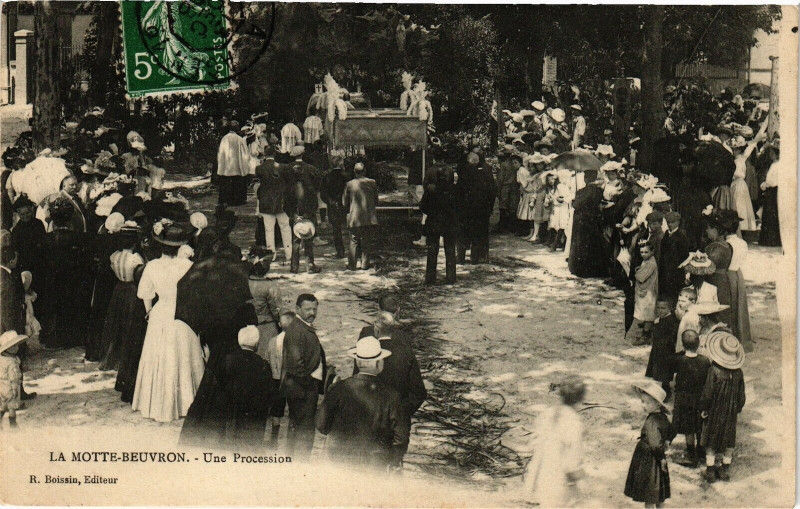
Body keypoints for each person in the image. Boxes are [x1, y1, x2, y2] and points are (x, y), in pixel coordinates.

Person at [132, 222, 205, 422]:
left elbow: (145, 293)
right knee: (182, 355)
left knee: (159, 355)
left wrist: (149, 312)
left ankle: (156, 402)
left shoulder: (152, 266)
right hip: (183, 313)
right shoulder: (189, 266)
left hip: (161, 312)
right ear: (180, 246)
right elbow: (196, 294)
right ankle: (186, 402)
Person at [316, 336, 409, 470]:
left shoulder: (338, 389)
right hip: (374, 466)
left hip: (339, 463)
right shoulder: (392, 396)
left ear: (357, 363)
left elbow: (321, 425)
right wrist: (392, 460)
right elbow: (401, 438)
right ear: (379, 364)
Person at [353, 312, 426, 444]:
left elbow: (357, 381)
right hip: (396, 423)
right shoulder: (406, 353)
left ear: (376, 327)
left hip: (367, 418)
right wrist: (401, 412)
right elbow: (419, 392)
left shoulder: (365, 351)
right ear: (394, 329)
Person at [201, 325, 273, 451]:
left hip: (231, 415)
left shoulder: (228, 360)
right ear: (257, 343)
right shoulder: (263, 365)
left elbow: (219, 387)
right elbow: (268, 393)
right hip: (253, 419)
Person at [522, 376, 585, 507]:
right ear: (580, 399)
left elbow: (533, 442)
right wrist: (576, 478)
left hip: (539, 474)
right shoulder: (574, 421)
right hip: (558, 479)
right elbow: (572, 457)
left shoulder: (547, 413)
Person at [39, 198, 92, 350]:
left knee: (53, 305)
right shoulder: (79, 238)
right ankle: (72, 338)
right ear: (69, 219)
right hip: (73, 280)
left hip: (52, 279)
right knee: (72, 304)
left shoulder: (46, 239)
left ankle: (54, 338)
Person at [282, 294, 325, 460]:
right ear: (297, 309)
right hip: (302, 389)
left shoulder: (303, 326)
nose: (312, 312)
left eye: (314, 309)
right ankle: (300, 464)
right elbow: (295, 365)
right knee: (304, 430)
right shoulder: (297, 330)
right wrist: (311, 384)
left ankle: (292, 460)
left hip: (300, 387)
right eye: (308, 309)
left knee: (297, 427)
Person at [699, 331, 746, 483]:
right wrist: (736, 408)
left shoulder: (714, 370)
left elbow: (707, 392)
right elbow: (741, 396)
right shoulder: (738, 373)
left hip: (714, 410)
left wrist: (704, 408)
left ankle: (711, 469)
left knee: (711, 438)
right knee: (729, 439)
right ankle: (725, 468)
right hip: (730, 411)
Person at [624, 381, 675, 508]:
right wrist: (668, 441)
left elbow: (654, 444)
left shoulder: (652, 421)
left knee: (649, 493)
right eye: (642, 401)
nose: (643, 405)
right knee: (659, 492)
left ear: (657, 403)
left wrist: (661, 457)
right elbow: (672, 430)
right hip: (658, 458)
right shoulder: (663, 417)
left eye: (647, 403)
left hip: (649, 459)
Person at [671, 330, 711, 468]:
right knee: (699, 424)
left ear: (682, 344)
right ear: (698, 343)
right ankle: (701, 450)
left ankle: (690, 453)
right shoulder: (705, 361)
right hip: (699, 398)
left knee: (688, 428)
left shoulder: (678, 360)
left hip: (683, 398)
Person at [718, 210, 753, 352]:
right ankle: (742, 339)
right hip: (739, 274)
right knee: (739, 306)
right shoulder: (742, 243)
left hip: (728, 275)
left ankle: (728, 340)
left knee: (729, 306)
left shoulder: (726, 244)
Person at [260, 310, 295, 445]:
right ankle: (291, 436)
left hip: (276, 380)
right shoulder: (295, 341)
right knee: (292, 407)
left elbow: (267, 359)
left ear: (280, 324)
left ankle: (274, 437)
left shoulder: (272, 341)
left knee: (276, 409)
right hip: (291, 378)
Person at [420, 165, 458, 285]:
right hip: (449, 222)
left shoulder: (431, 190)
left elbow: (423, 207)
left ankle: (430, 278)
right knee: (450, 249)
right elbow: (459, 207)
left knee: (432, 249)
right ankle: (451, 277)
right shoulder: (454, 190)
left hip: (434, 222)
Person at [456, 153, 496, 264]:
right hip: (481, 209)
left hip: (465, 209)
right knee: (478, 233)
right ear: (478, 161)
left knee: (463, 233)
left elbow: (458, 192)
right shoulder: (485, 173)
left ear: (468, 161)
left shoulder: (463, 173)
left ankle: (460, 257)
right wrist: (490, 207)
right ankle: (475, 258)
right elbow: (492, 191)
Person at [568, 170, 607, 277]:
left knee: (582, 243)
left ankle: (582, 269)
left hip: (583, 220)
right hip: (594, 220)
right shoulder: (599, 190)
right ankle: (595, 269)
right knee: (593, 243)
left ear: (586, 179)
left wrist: (574, 200)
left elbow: (576, 205)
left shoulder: (582, 191)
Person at [255, 156, 293, 262]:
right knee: (285, 228)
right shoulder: (284, 167)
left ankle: (271, 253)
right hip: (281, 203)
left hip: (266, 203)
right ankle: (289, 253)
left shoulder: (259, 168)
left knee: (269, 229)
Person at [343, 162, 379, 271]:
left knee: (353, 240)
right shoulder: (372, 182)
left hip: (354, 217)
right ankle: (365, 264)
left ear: (354, 172)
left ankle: (352, 265)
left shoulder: (349, 184)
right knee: (366, 240)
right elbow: (376, 200)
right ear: (364, 171)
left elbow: (344, 202)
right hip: (369, 216)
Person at [9, 196, 46, 295]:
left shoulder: (38, 224)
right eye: (22, 214)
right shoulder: (16, 231)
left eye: (28, 213)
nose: (26, 216)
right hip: (25, 268)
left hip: (40, 266)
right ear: (18, 214)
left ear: (32, 211)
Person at [645, 296, 679, 400]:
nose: (660, 310)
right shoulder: (658, 320)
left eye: (663, 308)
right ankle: (661, 390)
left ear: (670, 308)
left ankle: (666, 394)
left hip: (666, 352)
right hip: (658, 350)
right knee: (658, 371)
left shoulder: (671, 321)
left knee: (664, 375)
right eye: (658, 308)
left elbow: (672, 337)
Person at [703, 212, 734, 327]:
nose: (706, 231)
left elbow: (708, 266)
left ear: (715, 229)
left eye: (708, 229)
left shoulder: (716, 247)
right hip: (723, 280)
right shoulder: (727, 245)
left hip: (714, 281)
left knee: (715, 310)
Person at [627, 242, 658, 346]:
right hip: (643, 292)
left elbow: (640, 276)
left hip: (648, 293)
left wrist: (636, 273)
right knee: (644, 315)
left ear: (652, 252)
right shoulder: (646, 261)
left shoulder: (651, 263)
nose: (643, 254)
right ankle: (646, 336)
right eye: (641, 252)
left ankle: (644, 336)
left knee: (645, 315)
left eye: (646, 252)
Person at [322, 155, 353, 259]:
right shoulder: (347, 176)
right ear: (341, 164)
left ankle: (340, 252)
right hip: (347, 205)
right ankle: (353, 252)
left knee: (336, 230)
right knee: (351, 229)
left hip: (333, 206)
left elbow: (323, 194)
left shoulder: (327, 177)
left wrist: (330, 202)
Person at [216, 121, 252, 208]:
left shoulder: (224, 138)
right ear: (237, 129)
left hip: (227, 166)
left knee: (226, 182)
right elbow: (245, 153)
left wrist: (221, 164)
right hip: (237, 166)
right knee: (238, 181)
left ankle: (225, 200)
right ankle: (238, 200)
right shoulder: (240, 139)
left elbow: (220, 153)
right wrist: (246, 164)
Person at [658, 211, 689, 302]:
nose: (670, 224)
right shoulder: (666, 234)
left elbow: (684, 256)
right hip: (665, 271)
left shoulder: (681, 236)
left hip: (675, 272)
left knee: (674, 296)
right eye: (668, 222)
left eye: (673, 222)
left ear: (678, 222)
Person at [0, 331, 29, 429]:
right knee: (12, 406)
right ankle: (13, 424)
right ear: (7, 349)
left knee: (3, 404)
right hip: (10, 386)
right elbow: (13, 377)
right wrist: (15, 389)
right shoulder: (12, 362)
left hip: (2, 385)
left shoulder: (2, 358)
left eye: (17, 345)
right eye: (14, 346)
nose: (17, 348)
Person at [758, 141, 780, 246]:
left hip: (773, 191)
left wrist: (765, 184)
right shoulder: (775, 164)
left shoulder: (776, 165)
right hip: (774, 191)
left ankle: (771, 240)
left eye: (772, 153)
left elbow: (772, 181)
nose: (770, 155)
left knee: (771, 215)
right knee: (772, 215)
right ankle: (774, 239)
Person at [496, 146, 521, 234]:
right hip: (514, 187)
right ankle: (512, 227)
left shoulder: (504, 164)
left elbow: (500, 179)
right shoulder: (515, 163)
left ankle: (503, 227)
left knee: (503, 206)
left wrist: (498, 191)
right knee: (513, 206)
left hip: (505, 187)